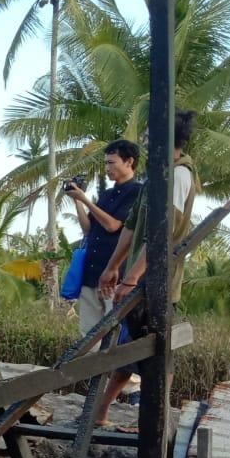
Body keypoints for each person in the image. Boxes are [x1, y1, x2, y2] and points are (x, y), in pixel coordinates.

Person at [94, 110, 201, 426]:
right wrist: (113, 268)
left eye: (150, 138)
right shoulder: (157, 177)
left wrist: (133, 277)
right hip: (137, 278)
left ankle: (152, 421)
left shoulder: (179, 176)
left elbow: (162, 234)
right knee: (132, 348)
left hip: (156, 283)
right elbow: (132, 226)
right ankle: (102, 414)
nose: (144, 142)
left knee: (157, 354)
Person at [68, 139, 144, 332]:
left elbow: (113, 226)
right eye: (105, 163)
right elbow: (88, 229)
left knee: (114, 333)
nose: (107, 168)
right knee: (87, 334)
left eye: (111, 163)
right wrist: (77, 200)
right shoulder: (105, 195)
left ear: (129, 162)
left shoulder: (138, 192)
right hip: (91, 273)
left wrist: (85, 200)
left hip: (115, 277)